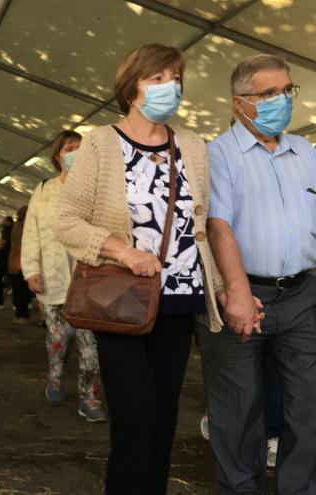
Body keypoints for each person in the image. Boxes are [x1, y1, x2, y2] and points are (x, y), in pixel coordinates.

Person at [53, 44, 226, 494]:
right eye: (157, 78)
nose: (170, 86)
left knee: (165, 417)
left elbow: (203, 222)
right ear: (132, 88)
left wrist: (222, 286)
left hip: (179, 297)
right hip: (123, 297)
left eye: (175, 77)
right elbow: (66, 220)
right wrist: (122, 251)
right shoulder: (101, 144)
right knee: (136, 415)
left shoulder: (191, 144)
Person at [201, 53, 316, 494]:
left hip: (303, 295)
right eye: (268, 94)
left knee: (307, 405)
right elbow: (218, 225)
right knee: (238, 409)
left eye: (287, 91)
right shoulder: (219, 154)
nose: (281, 101)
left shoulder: (304, 150)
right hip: (243, 294)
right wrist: (237, 293)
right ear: (238, 104)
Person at [22, 130, 105, 422]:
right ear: (57, 155)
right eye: (70, 148)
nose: (76, 153)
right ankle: (55, 379)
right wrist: (31, 270)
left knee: (90, 346)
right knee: (57, 342)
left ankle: (89, 397)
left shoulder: (97, 188)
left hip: (88, 282)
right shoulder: (44, 190)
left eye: (81, 148)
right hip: (55, 278)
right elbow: (31, 232)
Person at [8, 206, 33, 322]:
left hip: (18, 263)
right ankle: (21, 315)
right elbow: (25, 243)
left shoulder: (18, 227)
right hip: (18, 264)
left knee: (21, 290)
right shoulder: (19, 228)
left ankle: (22, 314)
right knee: (20, 291)